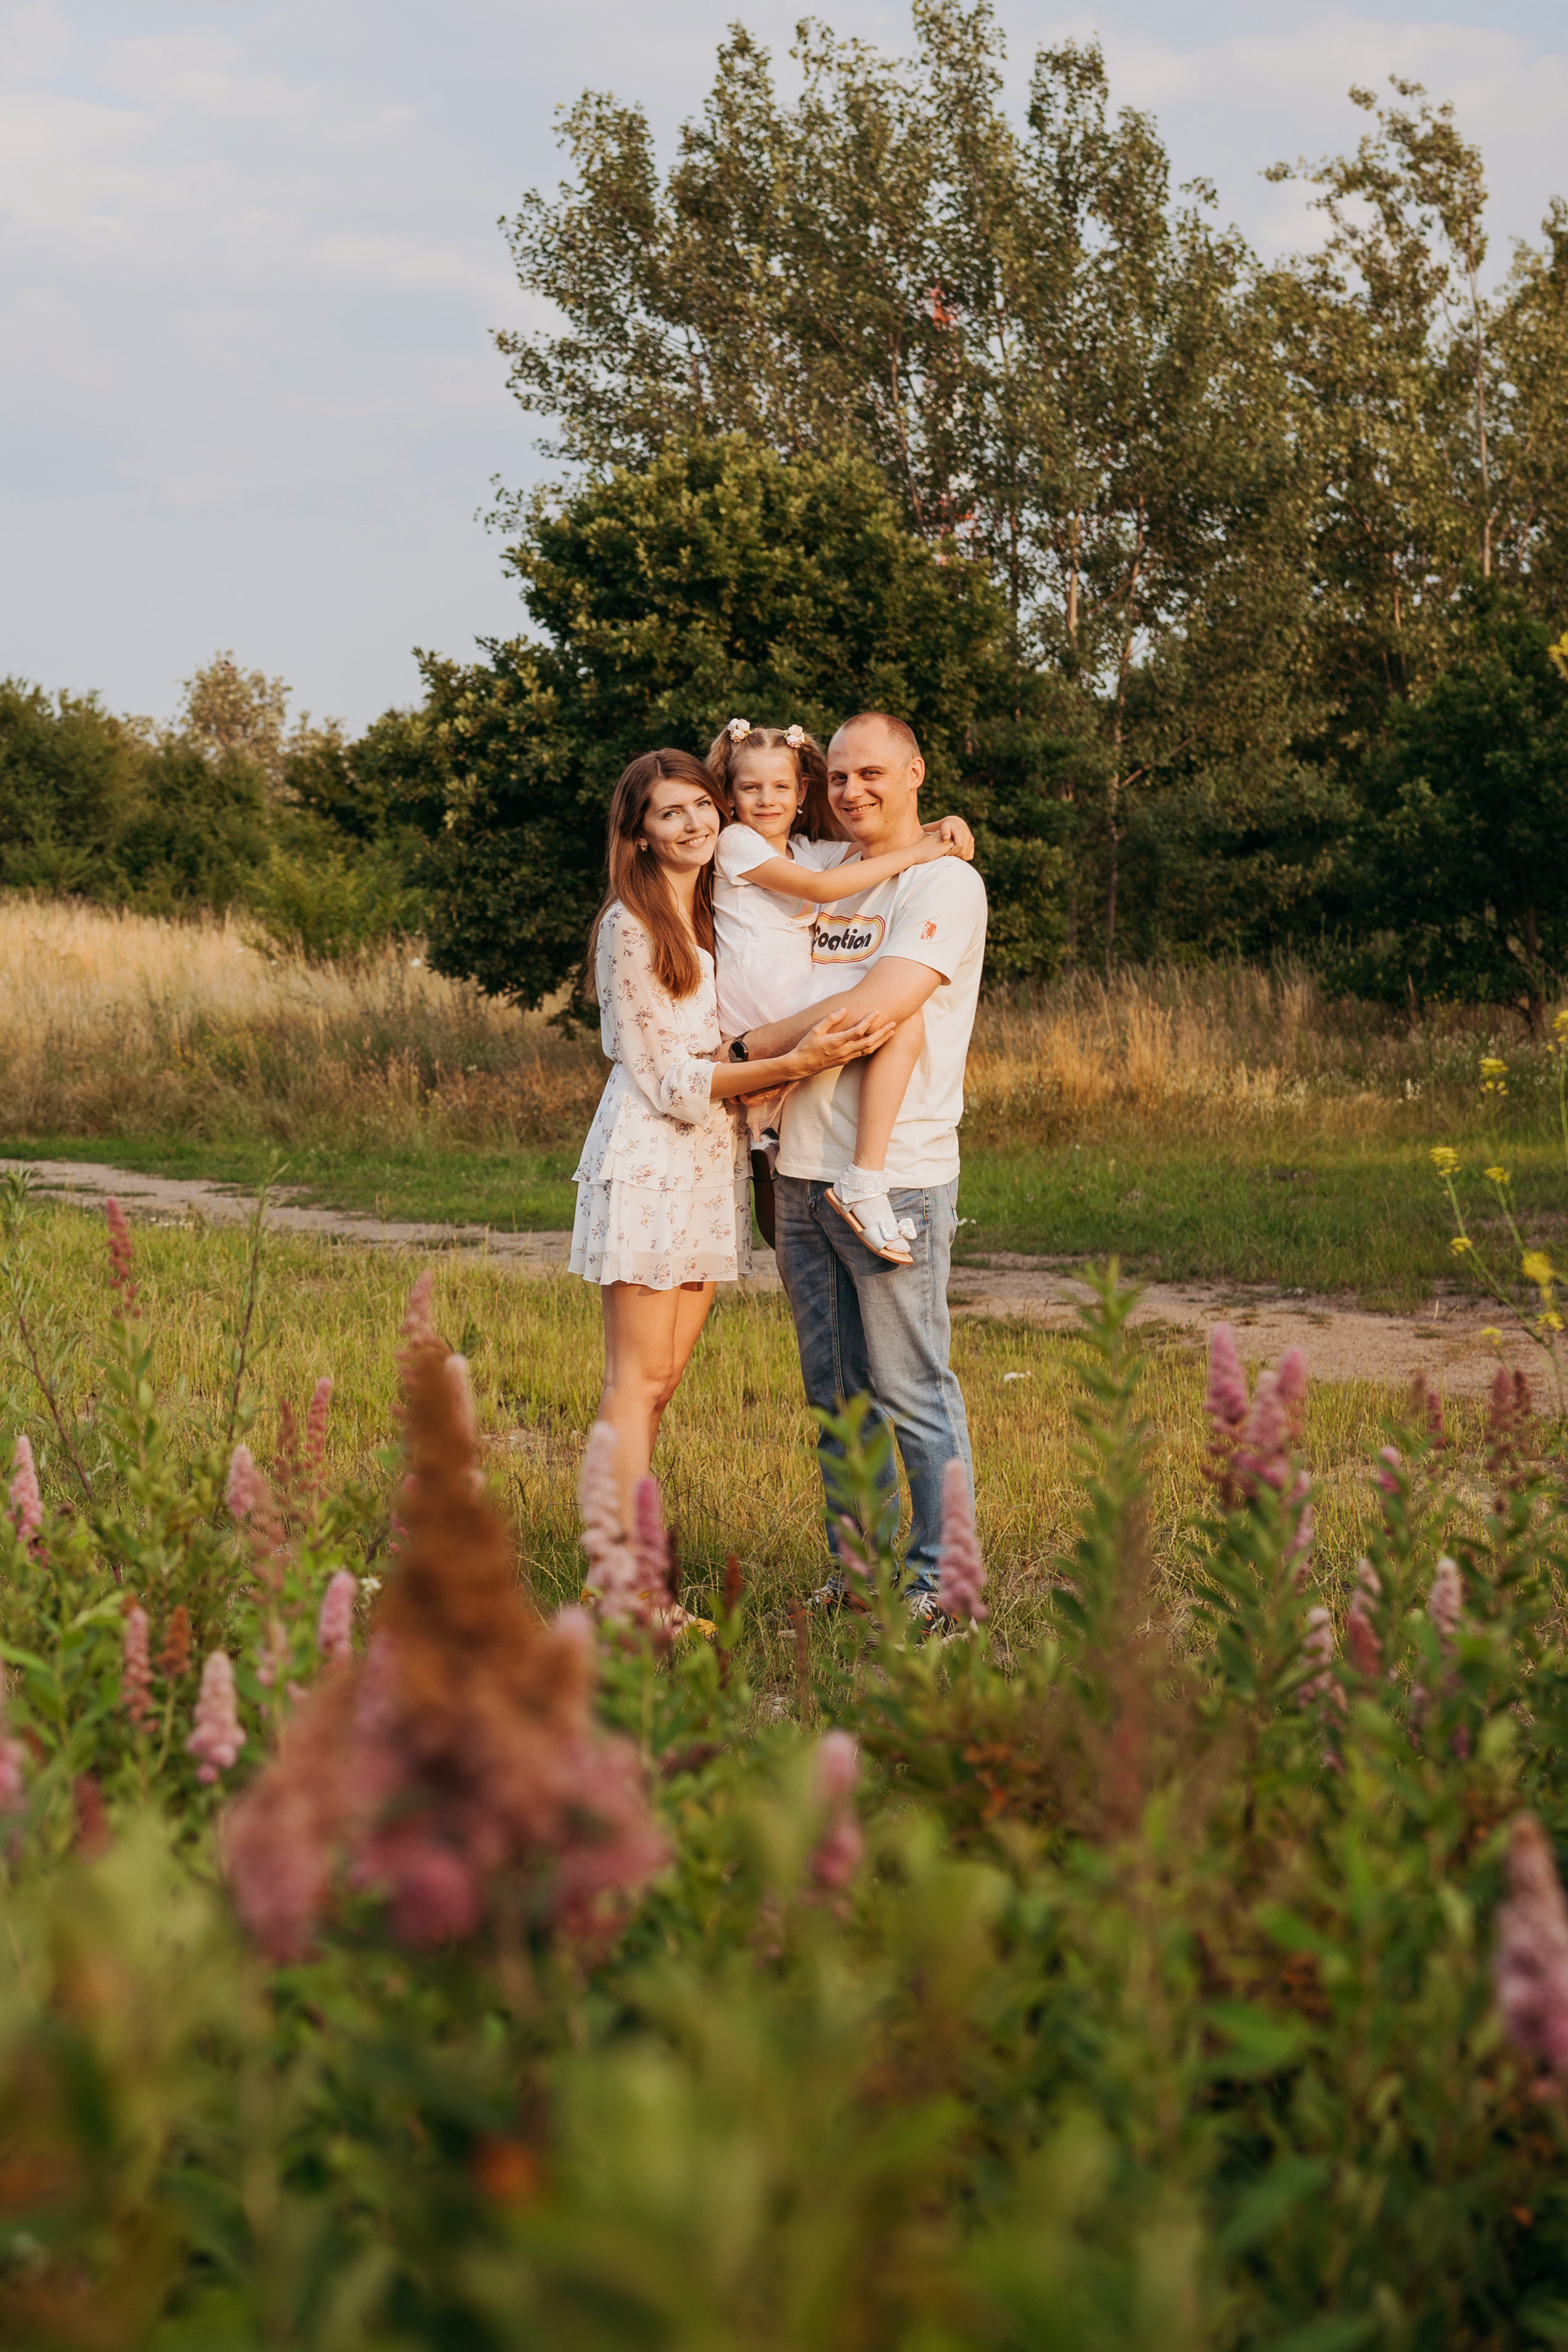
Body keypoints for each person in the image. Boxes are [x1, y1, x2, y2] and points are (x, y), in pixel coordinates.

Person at [569, 747, 896, 1529]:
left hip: (709, 1161)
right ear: (639, 833)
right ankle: (622, 1581)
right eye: (668, 812)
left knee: (665, 1378)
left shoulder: (705, 913)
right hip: (652, 1162)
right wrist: (795, 1061)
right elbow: (670, 1079)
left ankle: (630, 1574)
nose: (692, 823)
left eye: (700, 806)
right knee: (634, 1383)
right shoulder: (629, 924)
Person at [724, 713, 988, 1627]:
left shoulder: (941, 883)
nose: (851, 792)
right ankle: (861, 1570)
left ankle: (942, 1583)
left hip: (895, 1172)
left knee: (911, 1387)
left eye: (870, 773)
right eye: (835, 777)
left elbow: (879, 1006)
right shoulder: (825, 872)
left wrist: (747, 1047)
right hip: (797, 1166)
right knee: (835, 1391)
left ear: (914, 771)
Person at [705, 717, 974, 1265]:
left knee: (897, 1017)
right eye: (750, 788)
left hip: (892, 1153)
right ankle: (826, 1173)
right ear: (729, 796)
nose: (766, 800)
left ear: (800, 792)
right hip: (764, 994)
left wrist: (942, 825)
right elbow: (824, 889)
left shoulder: (818, 850)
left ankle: (860, 1174)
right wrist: (920, 849)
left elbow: (852, 860)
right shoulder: (735, 844)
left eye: (781, 786)